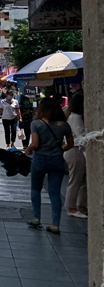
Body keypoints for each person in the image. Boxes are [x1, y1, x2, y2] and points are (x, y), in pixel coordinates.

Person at [24, 97, 74, 234]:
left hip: (40, 159)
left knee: (36, 189)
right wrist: (60, 149)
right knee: (55, 193)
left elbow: (35, 144)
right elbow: (70, 144)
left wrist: (27, 151)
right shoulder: (64, 125)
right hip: (57, 160)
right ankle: (55, 224)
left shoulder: (36, 123)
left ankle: (36, 218)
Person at [64, 91, 87, 219]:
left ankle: (80, 204)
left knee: (81, 179)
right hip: (75, 150)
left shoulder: (73, 116)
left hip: (76, 150)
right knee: (75, 180)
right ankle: (71, 207)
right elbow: (81, 134)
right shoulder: (74, 117)